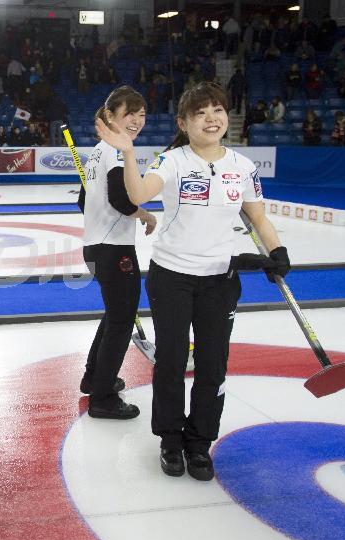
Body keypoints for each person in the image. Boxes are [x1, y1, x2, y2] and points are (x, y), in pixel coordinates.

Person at [105, 82, 289, 482]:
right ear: (184, 123)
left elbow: (258, 218)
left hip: (220, 281)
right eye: (201, 113)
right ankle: (170, 439)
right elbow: (137, 194)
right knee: (170, 361)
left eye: (218, 110)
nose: (212, 119)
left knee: (213, 366)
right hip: (171, 277)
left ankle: (199, 442)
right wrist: (129, 152)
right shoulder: (171, 161)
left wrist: (277, 251)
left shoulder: (242, 167)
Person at [76, 86, 158, 419]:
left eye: (142, 115)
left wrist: (101, 219)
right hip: (115, 250)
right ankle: (103, 397)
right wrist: (145, 214)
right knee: (122, 319)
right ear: (110, 116)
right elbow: (122, 201)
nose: (137, 121)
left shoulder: (97, 151)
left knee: (114, 314)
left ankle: (94, 377)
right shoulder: (115, 152)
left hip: (94, 246)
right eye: (130, 114)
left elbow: (83, 201)